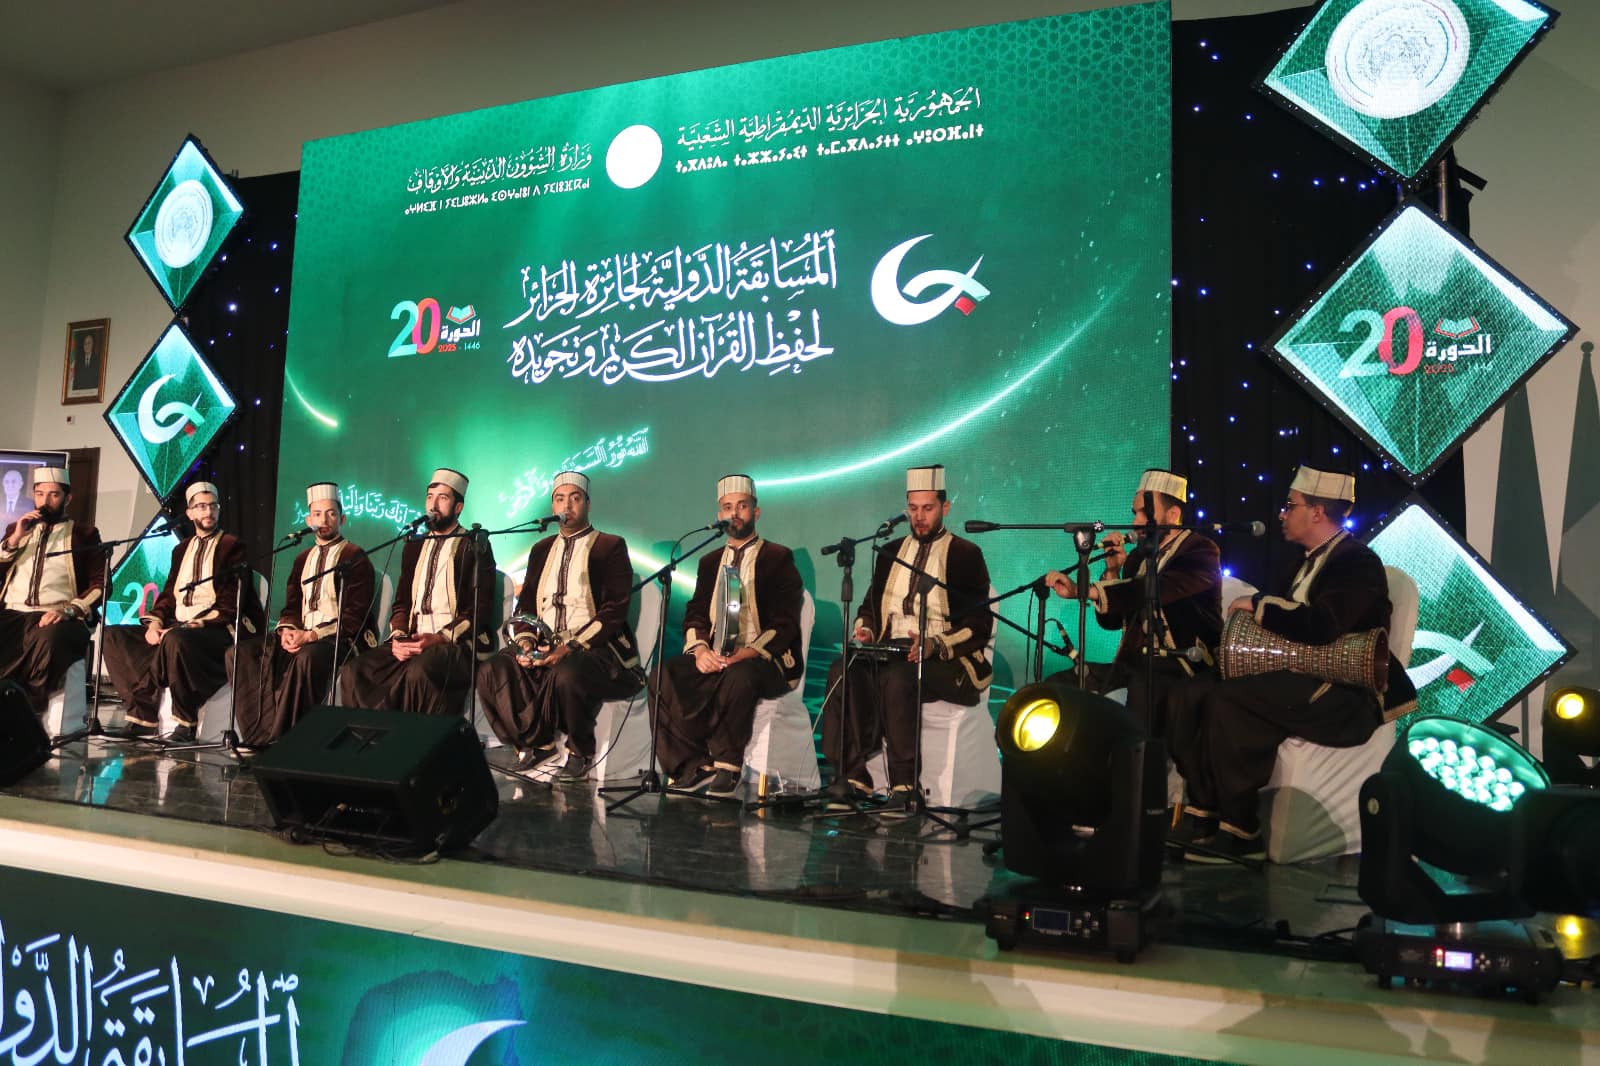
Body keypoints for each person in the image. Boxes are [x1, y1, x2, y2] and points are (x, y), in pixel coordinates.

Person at [1166, 466, 1417, 862]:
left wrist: (1260, 605)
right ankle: (1204, 812)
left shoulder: (1357, 562)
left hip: (1344, 693)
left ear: (1317, 512)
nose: (1282, 514)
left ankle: (1241, 829)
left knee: (1229, 700)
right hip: (1296, 675)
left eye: (1290, 506)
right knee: (1190, 693)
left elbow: (1324, 626)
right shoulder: (1300, 563)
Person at [820, 465, 992, 816]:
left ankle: (904, 784)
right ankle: (853, 775)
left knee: (898, 677)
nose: (919, 517)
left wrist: (933, 644)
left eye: (927, 508)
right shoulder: (889, 551)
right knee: (842, 669)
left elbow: (979, 624)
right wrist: (866, 629)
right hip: (892, 649)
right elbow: (870, 606)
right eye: (913, 509)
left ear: (945, 508)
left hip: (946, 658)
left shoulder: (965, 554)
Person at [477, 471, 643, 782]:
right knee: (492, 669)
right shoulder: (541, 549)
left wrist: (568, 647)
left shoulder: (610, 546)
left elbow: (613, 611)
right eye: (560, 499)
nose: (567, 506)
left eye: (575, 498)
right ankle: (538, 743)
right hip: (546, 642)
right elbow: (527, 605)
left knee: (566, 673)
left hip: (597, 648)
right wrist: (526, 643)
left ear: (587, 504)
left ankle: (581, 750)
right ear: (553, 506)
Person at [653, 474, 804, 799]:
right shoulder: (709, 562)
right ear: (719, 514)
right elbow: (695, 612)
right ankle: (691, 764)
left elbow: (786, 622)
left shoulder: (778, 557)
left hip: (764, 659)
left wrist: (745, 653)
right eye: (727, 507)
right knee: (662, 674)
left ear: (756, 512)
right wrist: (700, 651)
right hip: (717, 653)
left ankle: (728, 765)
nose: (734, 513)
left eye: (742, 506)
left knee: (739, 675)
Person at [1044, 468, 1222, 729]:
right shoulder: (1138, 557)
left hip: (1183, 667)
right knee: (1058, 687)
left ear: (1173, 515)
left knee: (1140, 688)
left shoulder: (1200, 551)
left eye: (1144, 513)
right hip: (1133, 669)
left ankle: (1136, 754)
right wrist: (1112, 571)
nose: (1136, 522)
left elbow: (1151, 590)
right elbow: (1112, 622)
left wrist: (1083, 590)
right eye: (1135, 513)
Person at [102, 481, 262, 742]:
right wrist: (155, 624)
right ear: (189, 513)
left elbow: (231, 602)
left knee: (176, 640)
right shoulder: (181, 549)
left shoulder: (232, 546)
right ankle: (143, 717)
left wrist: (185, 627)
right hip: (178, 628)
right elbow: (169, 594)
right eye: (201, 507)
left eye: (213, 506)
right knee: (113, 636)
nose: (208, 512)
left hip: (217, 629)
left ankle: (184, 723)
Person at [338, 468, 496, 715]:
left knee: (417, 672)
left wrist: (439, 638)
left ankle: (410, 737)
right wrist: (400, 637)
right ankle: (369, 734)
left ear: (458, 507)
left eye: (442, 498)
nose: (433, 505)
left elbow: (479, 609)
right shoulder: (414, 545)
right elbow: (401, 602)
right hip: (413, 638)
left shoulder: (473, 545)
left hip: (455, 644)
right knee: (356, 670)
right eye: (429, 497)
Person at [231, 483, 376, 748]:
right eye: (318, 514)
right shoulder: (302, 558)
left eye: (331, 513)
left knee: (307, 657)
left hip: (339, 638)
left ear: (342, 519)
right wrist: (288, 630)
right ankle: (257, 735)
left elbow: (355, 616)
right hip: (303, 634)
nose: (324, 520)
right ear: (308, 521)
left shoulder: (355, 556)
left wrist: (311, 636)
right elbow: (292, 606)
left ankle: (284, 740)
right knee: (241, 653)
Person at [0, 467, 104, 713]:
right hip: (13, 613)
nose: (45, 501)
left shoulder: (84, 534)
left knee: (49, 638)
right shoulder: (17, 529)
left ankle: (29, 712)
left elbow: (101, 584)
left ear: (68, 499)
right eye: (39, 494)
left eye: (54, 495)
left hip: (57, 614)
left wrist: (69, 610)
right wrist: (14, 540)